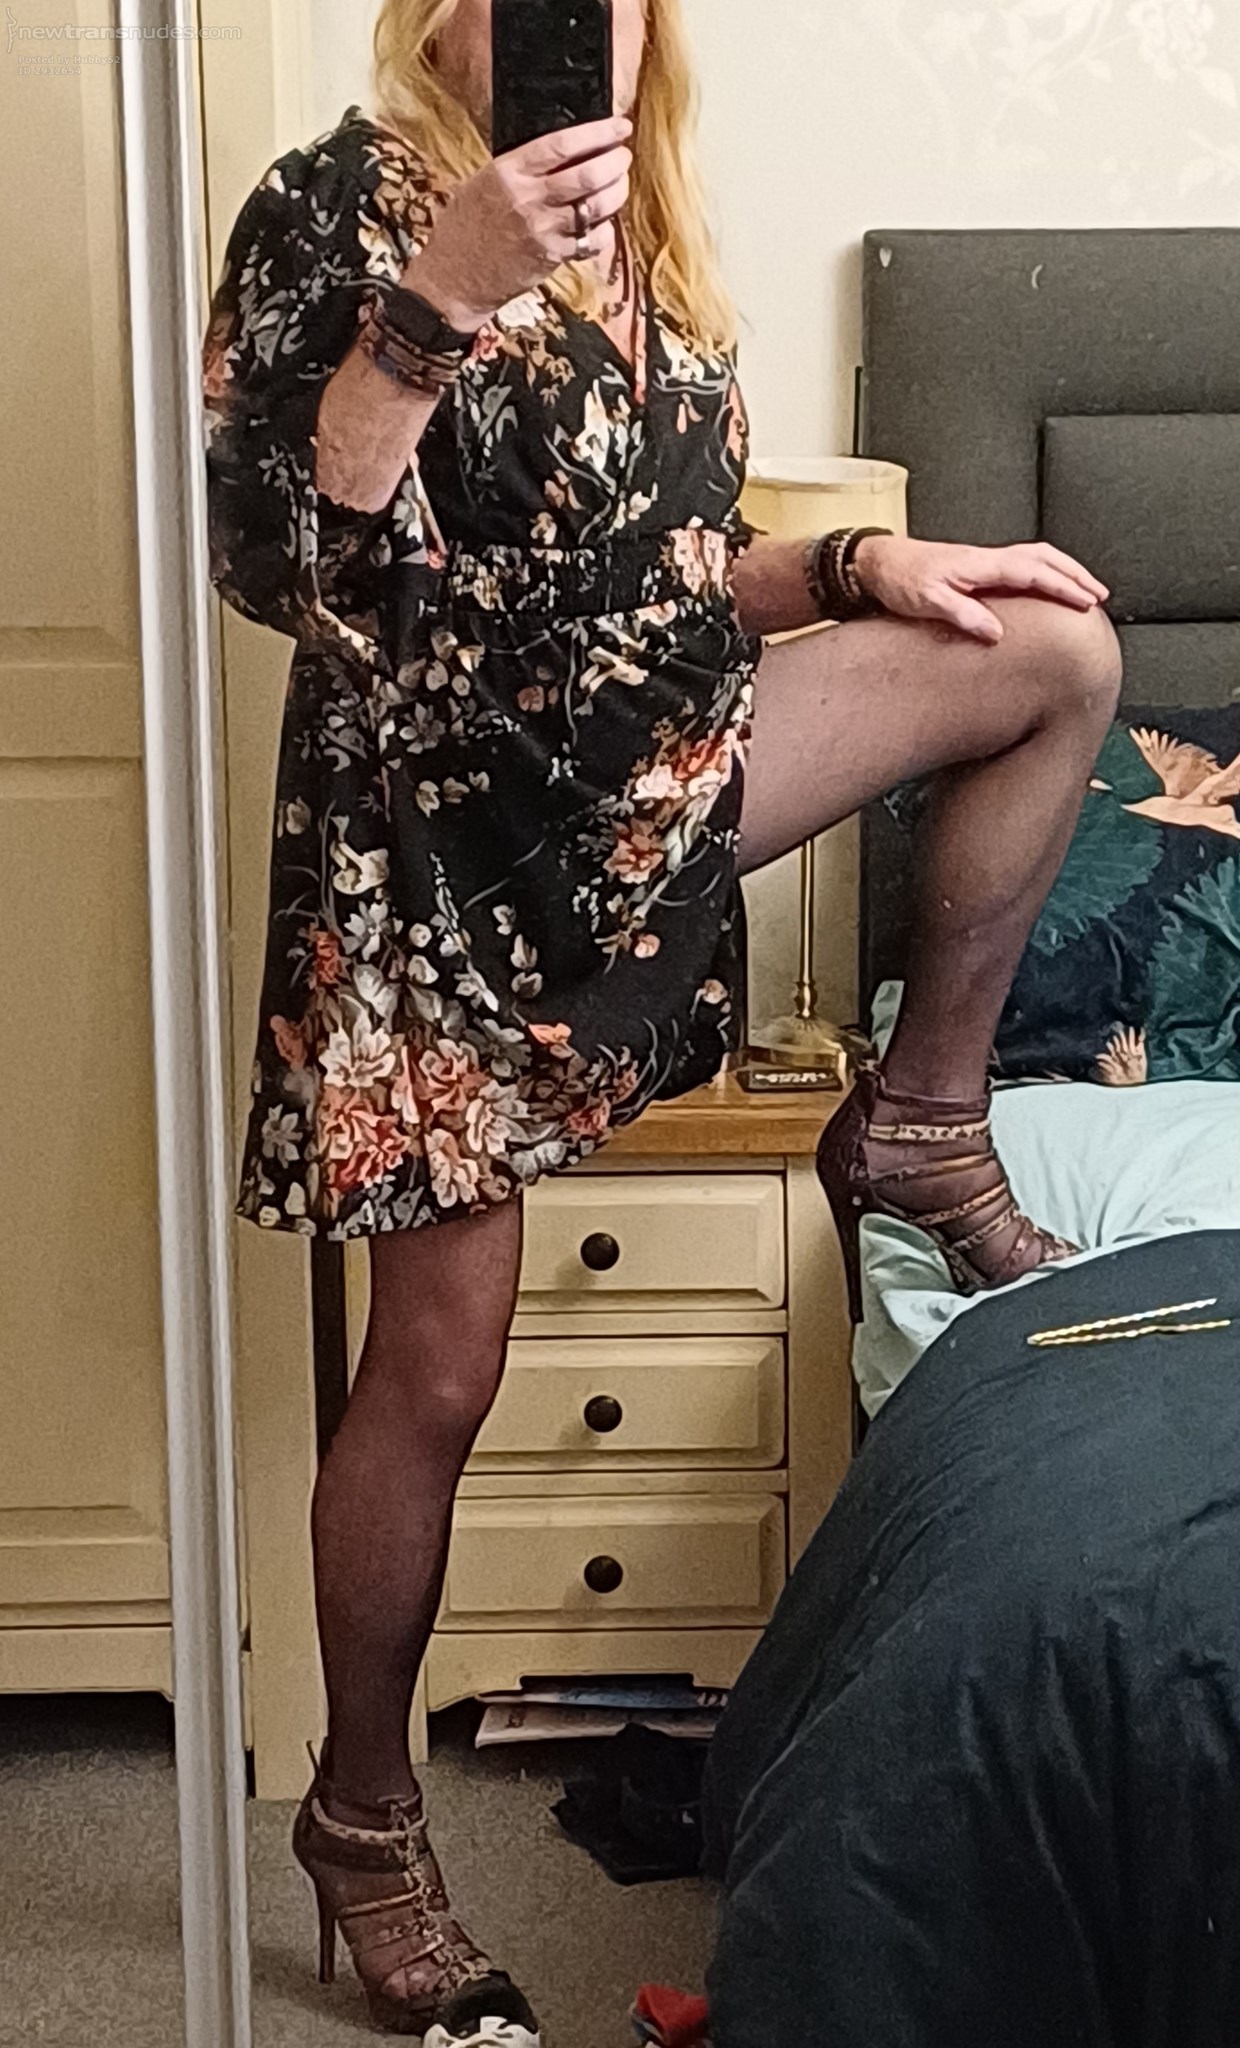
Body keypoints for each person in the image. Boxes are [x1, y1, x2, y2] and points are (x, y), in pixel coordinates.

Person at [201, 0, 1122, 2038]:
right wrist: (441, 301)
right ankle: (361, 1814)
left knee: (1050, 646)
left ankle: (921, 1126)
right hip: (433, 849)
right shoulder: (336, 204)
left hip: (639, 777)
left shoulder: (654, 232)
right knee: (438, 1371)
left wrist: (862, 559)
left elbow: (669, 575)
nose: (573, 20)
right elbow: (281, 560)